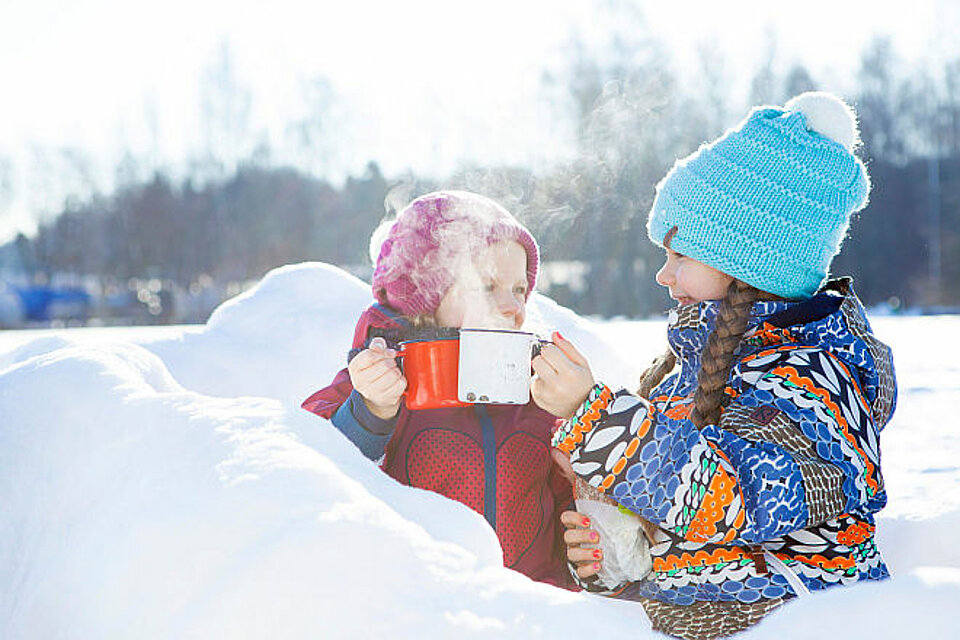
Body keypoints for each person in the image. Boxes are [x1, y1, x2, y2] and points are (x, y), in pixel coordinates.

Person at [531, 92, 897, 639]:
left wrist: (596, 416)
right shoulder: (681, 374)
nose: (663, 274)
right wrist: (617, 551)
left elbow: (734, 496)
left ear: (746, 261)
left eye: (680, 255)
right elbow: (687, 533)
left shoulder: (813, 377)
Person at [302, 190, 574, 588]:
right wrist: (371, 412)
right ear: (424, 297)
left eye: (519, 289)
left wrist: (585, 535)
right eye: (487, 286)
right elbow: (313, 474)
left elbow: (567, 515)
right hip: (423, 611)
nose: (512, 306)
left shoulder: (536, 393)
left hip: (532, 616)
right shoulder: (380, 382)